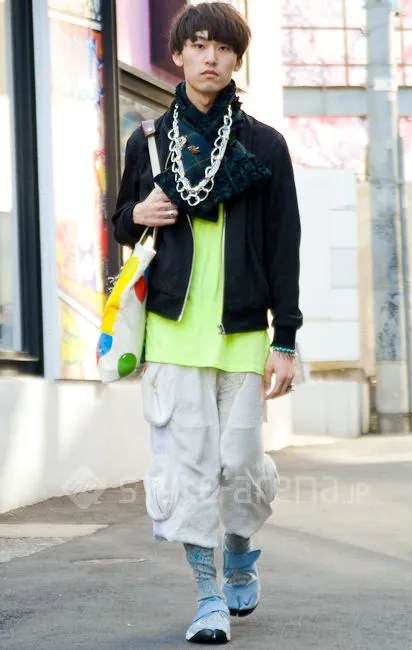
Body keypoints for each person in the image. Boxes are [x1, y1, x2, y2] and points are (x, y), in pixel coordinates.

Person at [112, 2, 302, 644]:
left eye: (222, 48)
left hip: (242, 332)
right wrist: (139, 213)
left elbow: (284, 244)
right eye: (197, 45)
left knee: (241, 463)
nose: (210, 57)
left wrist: (285, 338)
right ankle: (208, 595)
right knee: (189, 470)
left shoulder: (264, 146)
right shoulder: (147, 141)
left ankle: (241, 545)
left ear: (236, 59)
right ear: (178, 55)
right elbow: (121, 221)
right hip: (171, 334)